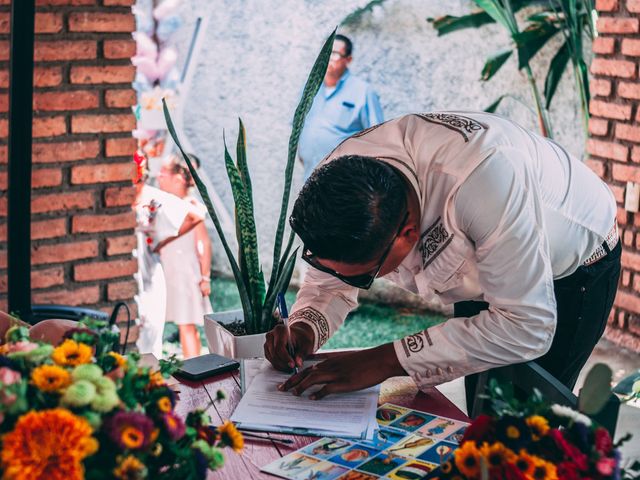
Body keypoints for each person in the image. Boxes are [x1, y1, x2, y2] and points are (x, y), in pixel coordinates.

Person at [264, 111, 620, 407]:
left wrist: (387, 359)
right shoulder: (338, 184)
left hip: (574, 267)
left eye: (359, 278)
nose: (342, 279)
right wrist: (305, 327)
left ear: (408, 235)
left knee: (527, 433)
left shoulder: (484, 180)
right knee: (481, 417)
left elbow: (527, 326)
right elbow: (328, 283)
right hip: (485, 269)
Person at [133, 152, 204, 358]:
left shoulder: (150, 196)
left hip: (167, 274)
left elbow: (197, 219)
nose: (159, 176)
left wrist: (159, 243)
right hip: (164, 270)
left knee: (178, 326)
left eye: (163, 172)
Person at [298, 34, 384, 180]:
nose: (328, 58)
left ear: (348, 59)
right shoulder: (310, 89)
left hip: (345, 180)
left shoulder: (363, 91)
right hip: (309, 176)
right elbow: (300, 126)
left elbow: (379, 138)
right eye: (325, 53)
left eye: (335, 54)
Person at [157, 154, 213, 358]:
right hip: (170, 270)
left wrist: (205, 276)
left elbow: (203, 243)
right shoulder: (161, 203)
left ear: (177, 179)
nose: (158, 177)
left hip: (185, 273)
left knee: (186, 324)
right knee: (183, 323)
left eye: (163, 174)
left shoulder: (191, 206)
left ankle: (193, 366)